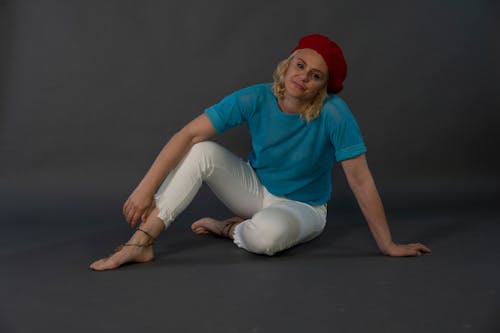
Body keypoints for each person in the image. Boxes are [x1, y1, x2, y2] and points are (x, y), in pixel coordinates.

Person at [90, 34, 431, 271]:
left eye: (315, 76)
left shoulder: (335, 113)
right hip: (254, 190)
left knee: (267, 238)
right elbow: (189, 133)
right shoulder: (255, 98)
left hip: (304, 208)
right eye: (300, 66)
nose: (303, 78)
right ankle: (141, 243)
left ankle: (230, 230)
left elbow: (361, 181)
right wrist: (144, 189)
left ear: (323, 87)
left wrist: (387, 245)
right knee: (201, 149)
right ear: (287, 64)